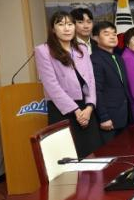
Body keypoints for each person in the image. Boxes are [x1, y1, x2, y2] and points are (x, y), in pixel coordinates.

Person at [34, 11, 101, 158]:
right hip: (62, 110)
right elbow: (51, 85)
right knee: (68, 157)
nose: (66, 28)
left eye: (70, 24)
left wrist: (90, 107)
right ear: (53, 29)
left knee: (93, 156)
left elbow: (91, 80)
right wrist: (76, 111)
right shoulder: (43, 51)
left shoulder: (82, 49)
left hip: (86, 110)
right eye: (61, 24)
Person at [90, 21, 132, 143]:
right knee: (110, 152)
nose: (112, 37)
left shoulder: (119, 58)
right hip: (108, 118)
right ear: (96, 38)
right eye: (106, 33)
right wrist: (104, 117)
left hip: (124, 116)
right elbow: (96, 90)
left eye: (114, 34)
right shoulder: (95, 59)